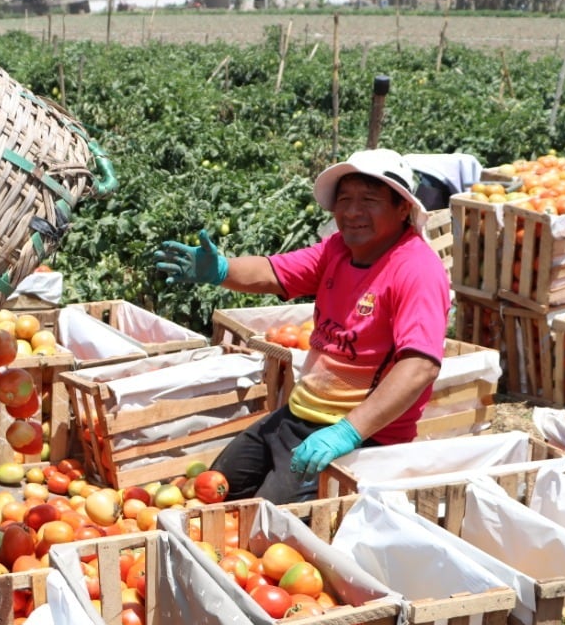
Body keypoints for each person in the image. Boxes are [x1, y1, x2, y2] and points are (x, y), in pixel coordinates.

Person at [154, 148, 450, 503]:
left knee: (269, 521)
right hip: (299, 415)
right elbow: (273, 272)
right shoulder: (338, 250)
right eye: (345, 200)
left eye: (369, 200)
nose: (352, 212)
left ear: (403, 208)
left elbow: (420, 366)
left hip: (359, 436)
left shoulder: (416, 269)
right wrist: (221, 270)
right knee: (221, 486)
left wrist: (348, 431)